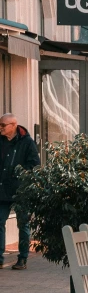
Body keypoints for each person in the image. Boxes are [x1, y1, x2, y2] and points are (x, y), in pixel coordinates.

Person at [0, 114, 40, 270]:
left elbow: (35, 165)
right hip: (2, 190)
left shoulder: (27, 142)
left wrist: (21, 178)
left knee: (23, 224)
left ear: (13, 125)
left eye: (3, 125)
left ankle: (22, 258)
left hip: (20, 190)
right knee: (0, 222)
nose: (1, 128)